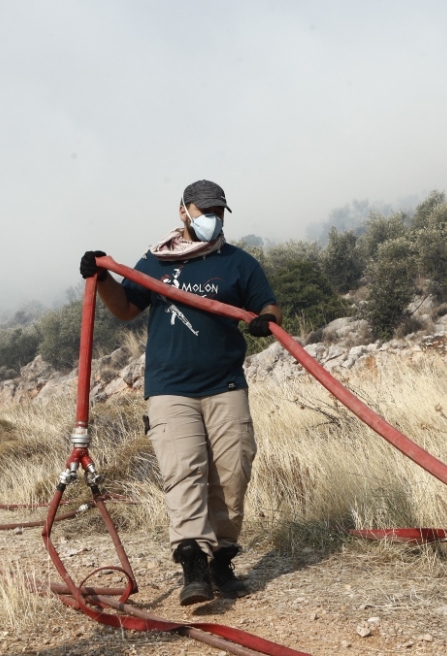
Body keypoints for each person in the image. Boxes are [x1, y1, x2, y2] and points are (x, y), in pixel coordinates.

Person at [80, 179, 282, 605]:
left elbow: (267, 303)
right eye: (204, 210)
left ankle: (221, 560)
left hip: (225, 384)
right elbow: (126, 307)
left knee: (234, 468)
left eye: (218, 212)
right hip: (170, 389)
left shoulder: (238, 263)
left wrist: (264, 319)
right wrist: (101, 279)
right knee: (184, 471)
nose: (212, 219)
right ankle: (193, 565)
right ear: (183, 212)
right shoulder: (154, 262)